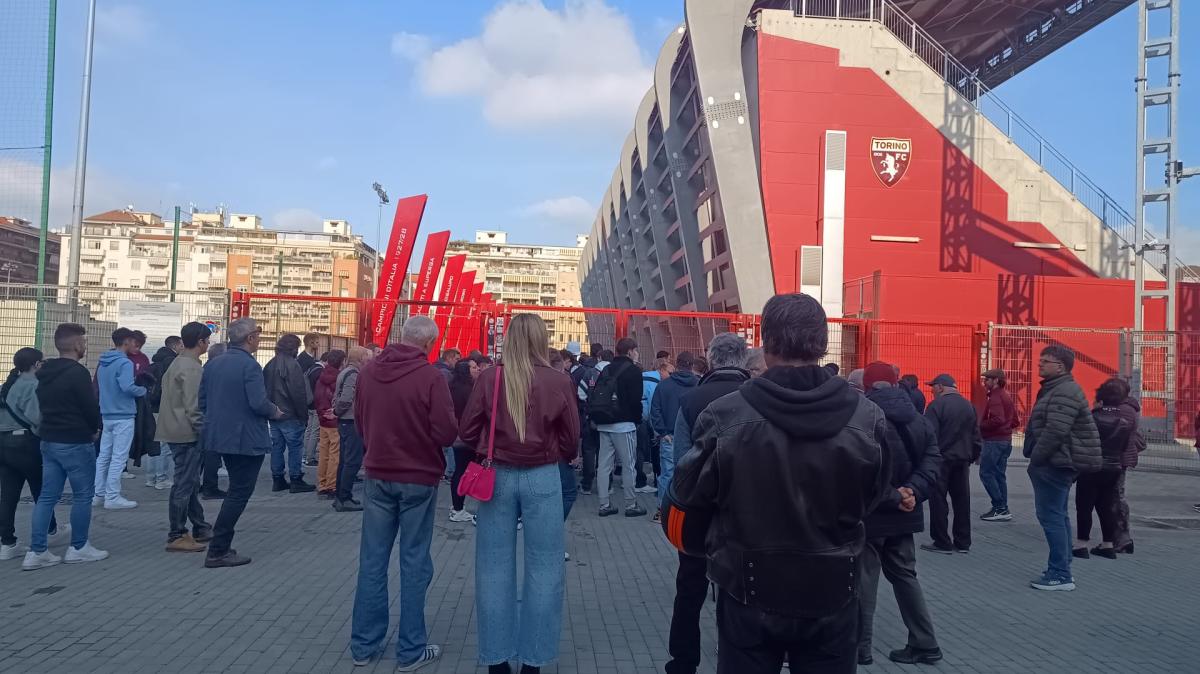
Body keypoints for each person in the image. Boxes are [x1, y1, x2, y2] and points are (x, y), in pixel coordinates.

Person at [668, 293, 890, 673]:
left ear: (766, 345)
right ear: (821, 344)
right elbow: (874, 496)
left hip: (748, 588)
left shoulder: (725, 415)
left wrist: (707, 549)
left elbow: (685, 504)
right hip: (834, 586)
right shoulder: (868, 417)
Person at [459, 313, 580, 674]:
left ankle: (497, 660)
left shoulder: (490, 378)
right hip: (543, 476)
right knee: (546, 569)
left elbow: (467, 430)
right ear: (541, 340)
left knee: (493, 568)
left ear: (509, 339)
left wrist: (488, 444)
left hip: (496, 475)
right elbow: (572, 439)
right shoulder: (558, 381)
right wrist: (554, 451)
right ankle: (534, 661)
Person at [350, 316, 457, 670]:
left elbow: (362, 420)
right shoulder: (430, 378)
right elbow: (444, 432)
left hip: (378, 473)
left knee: (372, 560)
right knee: (414, 562)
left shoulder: (368, 373)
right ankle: (411, 650)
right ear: (429, 344)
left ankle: (364, 645)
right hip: (418, 477)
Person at [664, 332, 750, 674]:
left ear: (710, 359)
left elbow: (681, 462)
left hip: (699, 514)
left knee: (689, 589)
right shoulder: (759, 398)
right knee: (740, 591)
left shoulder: (691, 399)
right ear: (743, 360)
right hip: (747, 514)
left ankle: (683, 661)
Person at [858, 362, 943, 666]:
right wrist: (912, 492)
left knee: (864, 579)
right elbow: (933, 461)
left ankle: (860, 648)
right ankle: (925, 643)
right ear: (895, 384)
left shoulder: (862, 419)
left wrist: (893, 496)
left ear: (867, 386)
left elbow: (862, 472)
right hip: (905, 515)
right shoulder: (919, 420)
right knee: (905, 576)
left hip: (871, 515)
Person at [200, 318, 283, 568]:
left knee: (235, 491)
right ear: (249, 338)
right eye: (258, 334)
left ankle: (219, 546)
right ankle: (218, 549)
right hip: (246, 438)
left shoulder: (213, 364)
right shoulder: (249, 366)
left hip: (219, 436)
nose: (259, 338)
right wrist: (275, 412)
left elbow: (202, 401)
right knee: (238, 493)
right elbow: (258, 403)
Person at [23, 323, 106, 570]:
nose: (86, 346)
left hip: (49, 439)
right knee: (83, 495)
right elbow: (89, 406)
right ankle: (79, 547)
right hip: (76, 440)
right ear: (76, 345)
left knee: (47, 497)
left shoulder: (44, 372)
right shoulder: (77, 372)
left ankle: (37, 551)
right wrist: (94, 429)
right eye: (84, 342)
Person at [1023, 345, 1101, 591]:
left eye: (1045, 361)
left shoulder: (1064, 391)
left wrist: (1036, 458)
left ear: (1060, 366)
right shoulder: (1057, 388)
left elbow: (1056, 430)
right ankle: (1062, 568)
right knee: (1058, 515)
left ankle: (1060, 574)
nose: (1040, 364)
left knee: (1051, 517)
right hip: (1058, 462)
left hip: (1055, 463)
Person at [156, 322, 213, 553]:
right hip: (186, 432)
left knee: (189, 482)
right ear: (200, 342)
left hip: (174, 428)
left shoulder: (177, 363)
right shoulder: (191, 369)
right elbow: (194, 406)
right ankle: (177, 533)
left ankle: (199, 526)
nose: (208, 344)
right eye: (207, 340)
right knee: (183, 483)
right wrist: (204, 431)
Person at [0, 348, 61, 560]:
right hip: (26, 443)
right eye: (42, 362)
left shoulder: (8, 386)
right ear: (36, 364)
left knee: (8, 496)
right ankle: (50, 531)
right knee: (41, 491)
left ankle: (7, 543)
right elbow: (37, 418)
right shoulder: (33, 385)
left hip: (4, 443)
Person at [1074, 378, 1135, 560]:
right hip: (1113, 468)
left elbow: (1081, 442)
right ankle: (1108, 544)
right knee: (1107, 506)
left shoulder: (1092, 418)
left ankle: (1081, 544)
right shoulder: (1125, 421)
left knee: (1084, 506)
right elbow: (1124, 447)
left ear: (1100, 399)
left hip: (1091, 466)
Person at [920, 374, 981, 555]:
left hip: (940, 460)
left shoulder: (936, 406)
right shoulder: (968, 406)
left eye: (933, 387)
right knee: (962, 500)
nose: (931, 391)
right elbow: (975, 435)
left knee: (938, 500)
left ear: (940, 387)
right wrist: (974, 455)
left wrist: (925, 458)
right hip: (962, 460)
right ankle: (963, 542)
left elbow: (929, 434)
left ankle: (941, 541)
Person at [592, 337, 646, 518]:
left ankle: (604, 504)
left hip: (604, 422)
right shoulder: (633, 371)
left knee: (604, 465)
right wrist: (637, 420)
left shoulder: (606, 368)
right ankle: (631, 504)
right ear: (630, 351)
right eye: (636, 350)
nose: (637, 353)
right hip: (624, 425)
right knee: (628, 465)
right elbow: (635, 401)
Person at [95, 328, 148, 510]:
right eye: (132, 341)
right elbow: (127, 387)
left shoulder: (103, 361)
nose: (134, 344)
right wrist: (142, 391)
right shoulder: (125, 363)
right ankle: (113, 496)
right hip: (123, 415)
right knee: (119, 457)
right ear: (126, 341)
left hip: (107, 413)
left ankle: (99, 494)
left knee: (104, 456)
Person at [264, 334, 315, 493]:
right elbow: (299, 393)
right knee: (295, 447)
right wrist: (303, 415)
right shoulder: (293, 365)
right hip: (291, 413)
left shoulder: (270, 364)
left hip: (274, 412)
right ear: (293, 348)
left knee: (277, 446)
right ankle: (295, 479)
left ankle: (277, 479)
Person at [650, 351, 698, 502]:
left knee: (667, 474)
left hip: (669, 436)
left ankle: (662, 511)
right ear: (692, 366)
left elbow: (655, 411)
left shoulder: (663, 385)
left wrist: (662, 433)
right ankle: (686, 509)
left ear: (677, 364)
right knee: (692, 475)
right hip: (693, 438)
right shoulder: (699, 385)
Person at [332, 346, 371, 513]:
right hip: (350, 420)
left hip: (345, 421)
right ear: (360, 358)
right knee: (352, 461)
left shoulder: (346, 372)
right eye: (367, 358)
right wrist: (337, 411)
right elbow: (346, 398)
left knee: (344, 461)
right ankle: (344, 497)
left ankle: (340, 496)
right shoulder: (353, 375)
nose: (368, 361)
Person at [978, 368, 1018, 522]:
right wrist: (1006, 430)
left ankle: (999, 507)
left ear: (996, 381)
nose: (984, 382)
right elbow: (1015, 421)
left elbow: (997, 419)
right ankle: (1002, 508)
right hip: (1005, 440)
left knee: (986, 473)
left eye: (987, 379)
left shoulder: (995, 397)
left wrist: (981, 426)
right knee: (999, 475)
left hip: (994, 441)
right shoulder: (1005, 396)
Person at [144, 335, 183, 490]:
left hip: (151, 407)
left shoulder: (154, 362)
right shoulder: (171, 362)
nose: (182, 348)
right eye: (181, 345)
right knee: (165, 445)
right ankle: (162, 478)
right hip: (164, 407)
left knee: (154, 443)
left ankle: (151, 477)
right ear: (175, 345)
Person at [448, 358, 481, 523]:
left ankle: (457, 506)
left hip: (458, 436)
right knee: (463, 471)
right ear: (465, 371)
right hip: (467, 436)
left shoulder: (454, 387)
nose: (477, 370)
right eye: (474, 368)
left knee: (461, 470)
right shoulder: (468, 391)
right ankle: (457, 508)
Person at [1113, 392, 1143, 554]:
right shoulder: (1130, 407)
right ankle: (1120, 537)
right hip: (1121, 459)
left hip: (1118, 459)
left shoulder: (1124, 409)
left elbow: (1117, 435)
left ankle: (1122, 538)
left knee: (1117, 497)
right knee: (1117, 496)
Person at [313, 349, 345, 498]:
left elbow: (318, 396)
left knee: (323, 453)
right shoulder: (338, 377)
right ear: (341, 362)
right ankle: (332, 485)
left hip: (322, 418)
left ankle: (322, 483)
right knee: (334, 454)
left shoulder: (321, 375)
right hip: (333, 419)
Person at [198, 343, 228, 501]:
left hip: (205, 415)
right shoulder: (215, 370)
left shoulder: (207, 368)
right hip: (212, 418)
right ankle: (210, 487)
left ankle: (200, 485)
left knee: (203, 455)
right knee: (211, 454)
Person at [570, 349, 601, 494]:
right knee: (606, 453)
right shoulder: (613, 372)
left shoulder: (589, 373)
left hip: (590, 417)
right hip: (609, 421)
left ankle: (587, 484)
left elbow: (580, 395)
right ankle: (606, 486)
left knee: (589, 450)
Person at [301, 338, 324, 468]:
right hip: (314, 403)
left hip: (309, 402)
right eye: (316, 341)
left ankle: (305, 455)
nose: (318, 344)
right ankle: (309, 457)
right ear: (310, 343)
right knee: (314, 430)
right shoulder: (307, 361)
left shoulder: (311, 363)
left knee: (309, 430)